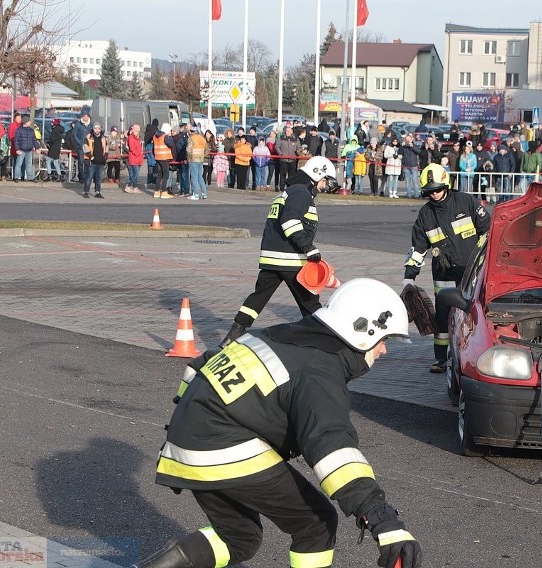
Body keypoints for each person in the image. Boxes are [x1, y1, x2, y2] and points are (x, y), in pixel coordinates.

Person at [136, 278, 422, 568]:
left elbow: (202, 364)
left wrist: (183, 430)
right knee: (316, 525)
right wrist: (381, 519)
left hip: (186, 440)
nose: (384, 350)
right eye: (384, 340)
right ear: (364, 330)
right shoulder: (319, 370)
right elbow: (332, 449)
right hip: (223, 446)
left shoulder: (279, 334)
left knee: (239, 538)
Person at [219, 156, 339, 348]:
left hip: (271, 258)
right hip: (290, 259)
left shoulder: (288, 192)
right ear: (317, 175)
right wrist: (308, 248)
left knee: (258, 298)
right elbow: (289, 221)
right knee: (309, 302)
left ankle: (235, 333)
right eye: (325, 182)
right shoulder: (301, 193)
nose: (324, 188)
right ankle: (325, 343)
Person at [403, 164, 491, 373]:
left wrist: (482, 262)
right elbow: (417, 248)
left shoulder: (466, 202)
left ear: (446, 185)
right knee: (442, 317)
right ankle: (441, 359)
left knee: (472, 313)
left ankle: (475, 355)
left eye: (438, 189)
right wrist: (409, 277)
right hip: (442, 273)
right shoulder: (425, 215)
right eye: (430, 191)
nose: (434, 194)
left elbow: (487, 231)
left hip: (471, 271)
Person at [82, 122, 108, 198]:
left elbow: (106, 146)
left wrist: (105, 155)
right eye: (95, 128)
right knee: (89, 177)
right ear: (93, 129)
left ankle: (97, 192)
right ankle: (86, 191)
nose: (97, 130)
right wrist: (90, 156)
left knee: (99, 178)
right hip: (92, 160)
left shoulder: (103, 137)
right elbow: (85, 146)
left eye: (98, 128)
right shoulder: (89, 137)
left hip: (100, 160)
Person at [152, 123, 175, 199]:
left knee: (160, 175)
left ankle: (157, 191)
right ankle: (164, 192)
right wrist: (170, 136)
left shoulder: (155, 136)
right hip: (165, 158)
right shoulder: (165, 137)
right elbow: (171, 144)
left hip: (158, 157)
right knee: (166, 175)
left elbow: (153, 148)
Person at [14, 118, 39, 183]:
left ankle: (30, 177)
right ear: (25, 122)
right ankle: (16, 177)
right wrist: (17, 149)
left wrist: (37, 148)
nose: (30, 122)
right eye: (29, 121)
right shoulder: (19, 130)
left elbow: (34, 139)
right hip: (21, 150)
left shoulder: (31, 130)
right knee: (19, 164)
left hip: (29, 150)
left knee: (29, 164)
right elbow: (16, 140)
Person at [275, 125, 300, 191]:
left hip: (292, 160)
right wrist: (281, 153)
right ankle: (282, 188)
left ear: (291, 132)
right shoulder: (281, 138)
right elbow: (277, 147)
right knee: (282, 175)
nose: (287, 132)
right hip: (283, 160)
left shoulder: (295, 139)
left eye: (288, 131)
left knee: (291, 176)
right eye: (286, 131)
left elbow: (299, 148)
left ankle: (290, 188)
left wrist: (298, 153)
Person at [187, 125, 208, 200]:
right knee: (200, 177)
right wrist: (202, 155)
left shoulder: (191, 138)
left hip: (193, 160)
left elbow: (188, 150)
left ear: (192, 131)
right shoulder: (202, 139)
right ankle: (204, 193)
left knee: (194, 177)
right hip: (201, 160)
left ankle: (195, 194)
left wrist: (189, 158)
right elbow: (207, 150)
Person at [124, 124, 144, 194]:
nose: (136, 132)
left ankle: (135, 187)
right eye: (135, 131)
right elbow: (132, 148)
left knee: (135, 174)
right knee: (136, 174)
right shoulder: (131, 137)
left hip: (138, 158)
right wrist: (138, 153)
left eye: (138, 131)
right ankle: (129, 186)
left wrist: (140, 154)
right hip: (134, 158)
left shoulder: (138, 138)